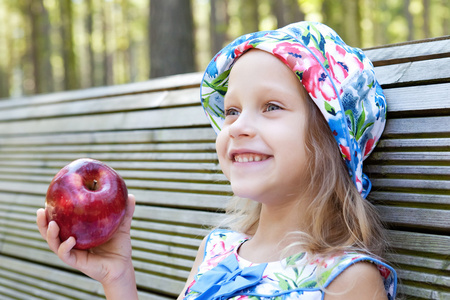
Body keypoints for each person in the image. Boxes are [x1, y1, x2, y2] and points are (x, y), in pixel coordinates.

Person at [37, 21, 397, 300]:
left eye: (271, 106)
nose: (238, 126)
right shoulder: (217, 251)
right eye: (232, 111)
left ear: (333, 138)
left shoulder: (347, 280)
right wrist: (117, 276)